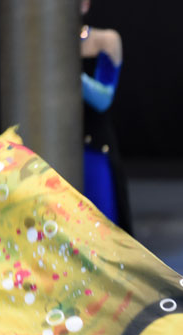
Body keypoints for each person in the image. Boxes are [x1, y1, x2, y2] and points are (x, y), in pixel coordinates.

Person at [80, 0, 133, 233]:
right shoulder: (39, 49)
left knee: (101, 231)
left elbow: (103, 99)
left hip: (94, 150)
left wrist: (65, 67)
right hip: (51, 151)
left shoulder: (106, 40)